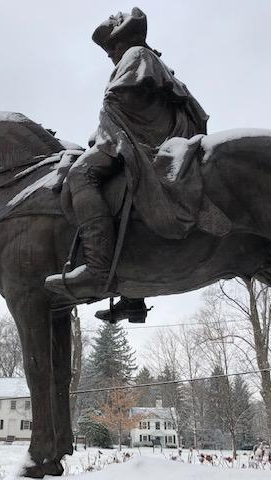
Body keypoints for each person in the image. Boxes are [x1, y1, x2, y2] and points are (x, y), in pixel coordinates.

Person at [47, 8, 209, 322]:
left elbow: (119, 99)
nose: (111, 56)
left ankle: (97, 270)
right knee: (115, 194)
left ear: (123, 41)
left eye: (111, 49)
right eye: (108, 51)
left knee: (82, 174)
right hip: (138, 133)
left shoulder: (137, 54)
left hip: (148, 139)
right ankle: (132, 296)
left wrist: (105, 131)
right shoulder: (146, 58)